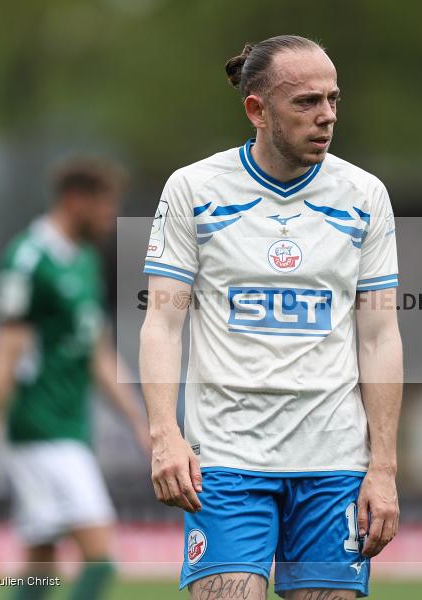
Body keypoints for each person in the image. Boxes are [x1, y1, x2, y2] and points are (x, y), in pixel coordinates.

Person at [139, 35, 403, 599]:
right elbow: (162, 322)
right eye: (306, 102)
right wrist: (165, 434)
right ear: (257, 110)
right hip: (227, 460)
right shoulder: (194, 189)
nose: (327, 116)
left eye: (333, 99)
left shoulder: (364, 195)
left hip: (334, 461)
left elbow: (380, 335)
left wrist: (384, 468)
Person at [0, 158, 150, 600]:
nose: (110, 216)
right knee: (101, 558)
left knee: (40, 565)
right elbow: (3, 359)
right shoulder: (28, 258)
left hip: (70, 427)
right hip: (41, 429)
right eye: (104, 205)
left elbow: (96, 353)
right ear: (75, 200)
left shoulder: (83, 259)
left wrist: (139, 421)